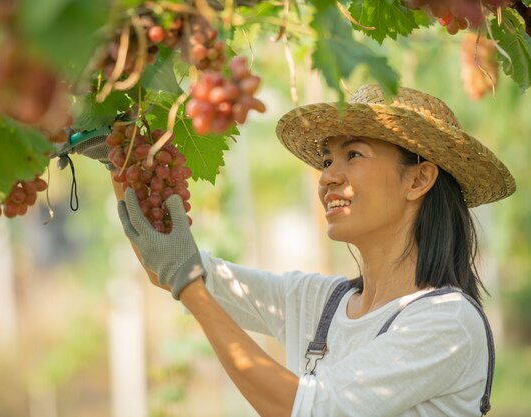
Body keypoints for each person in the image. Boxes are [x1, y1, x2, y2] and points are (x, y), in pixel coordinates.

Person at [70, 84, 516, 417]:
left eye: (353, 155)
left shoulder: (446, 322)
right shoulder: (318, 302)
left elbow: (311, 409)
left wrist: (190, 287)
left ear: (418, 180)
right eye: (327, 161)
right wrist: (126, 160)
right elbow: (171, 267)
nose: (327, 177)